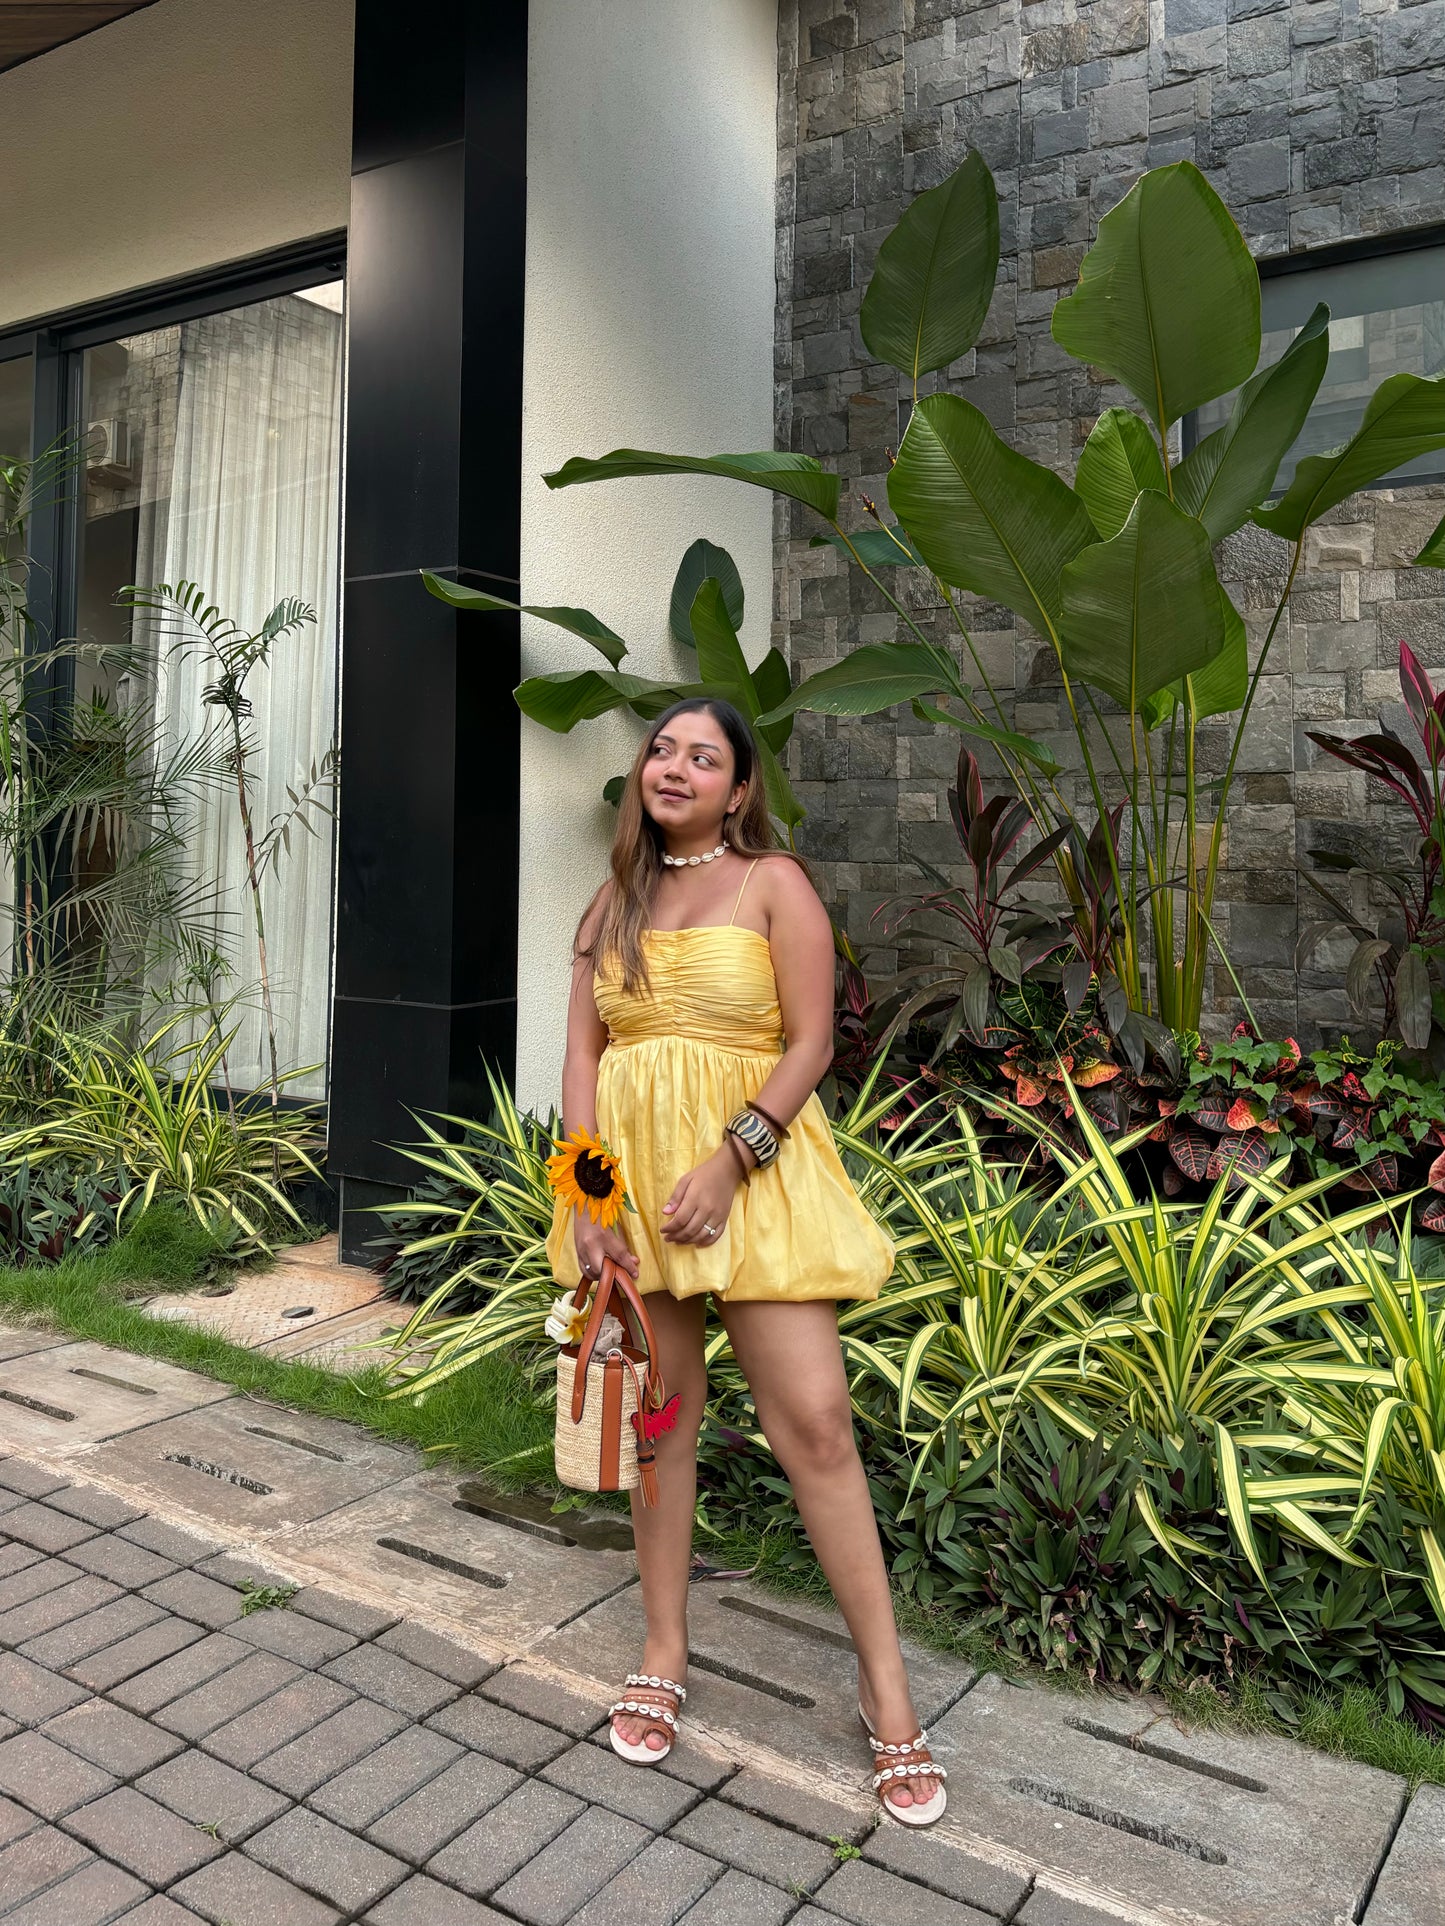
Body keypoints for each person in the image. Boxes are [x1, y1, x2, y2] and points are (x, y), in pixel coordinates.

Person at [544, 696, 946, 1826]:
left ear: (738, 789)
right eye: (662, 749)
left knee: (813, 1422)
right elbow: (581, 1058)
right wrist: (585, 1202)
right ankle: (663, 1648)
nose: (674, 766)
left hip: (751, 1182)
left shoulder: (774, 883)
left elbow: (811, 1041)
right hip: (629, 1193)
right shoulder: (607, 903)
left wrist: (729, 1163)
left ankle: (886, 1689)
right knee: (659, 1420)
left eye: (702, 755)